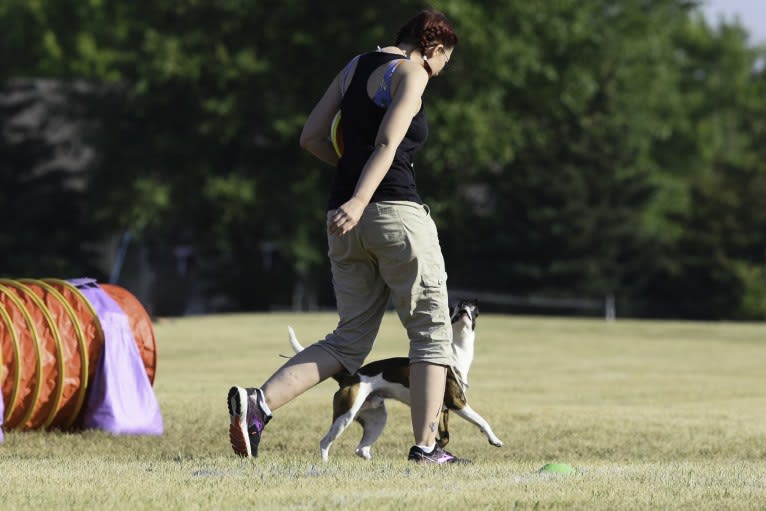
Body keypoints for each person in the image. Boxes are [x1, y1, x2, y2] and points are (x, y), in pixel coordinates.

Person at [227, 9, 466, 464]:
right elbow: (387, 144)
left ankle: (259, 405)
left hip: (343, 220)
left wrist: (352, 194)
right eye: (443, 63)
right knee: (432, 335)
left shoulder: (354, 67)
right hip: (395, 215)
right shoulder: (413, 72)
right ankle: (428, 449)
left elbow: (311, 138)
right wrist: (364, 198)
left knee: (350, 339)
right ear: (432, 47)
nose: (438, 73)